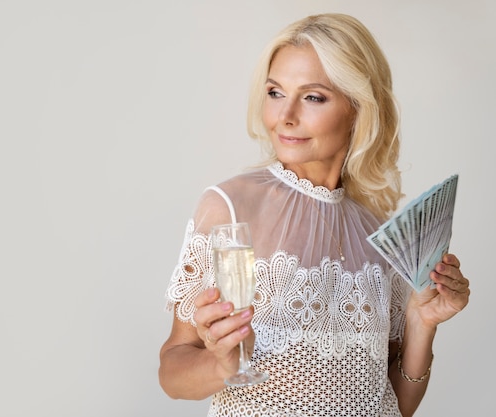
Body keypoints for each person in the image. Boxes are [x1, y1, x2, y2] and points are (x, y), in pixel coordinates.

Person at [158, 12, 470, 417]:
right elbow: (172, 371)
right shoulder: (231, 207)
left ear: (359, 107)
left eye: (313, 97)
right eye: (275, 92)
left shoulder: (378, 233)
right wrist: (222, 366)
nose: (285, 115)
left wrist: (422, 321)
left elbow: (397, 405)